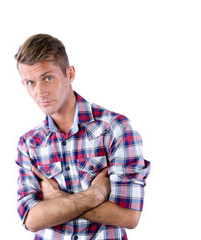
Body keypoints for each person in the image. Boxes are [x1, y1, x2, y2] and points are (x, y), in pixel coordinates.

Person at [14, 34, 151, 240]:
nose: (40, 92)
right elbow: (31, 219)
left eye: (48, 78)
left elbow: (129, 216)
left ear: (70, 74)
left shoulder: (116, 129)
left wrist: (59, 199)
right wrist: (94, 195)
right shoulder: (29, 143)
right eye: (30, 83)